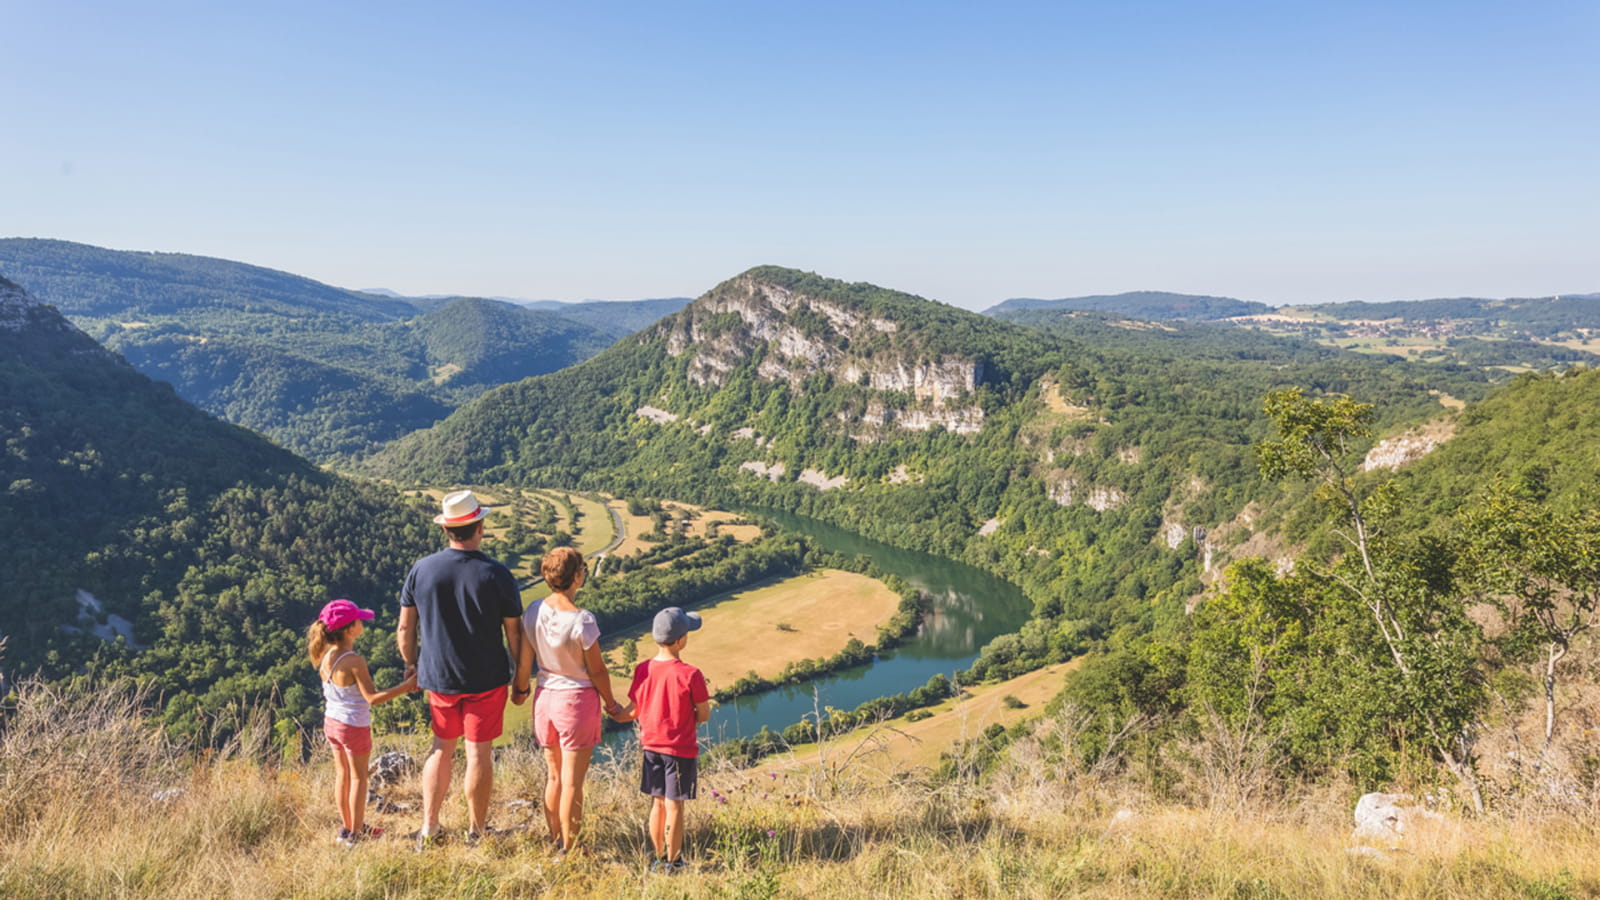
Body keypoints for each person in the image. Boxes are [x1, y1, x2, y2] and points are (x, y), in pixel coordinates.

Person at [397, 489, 527, 848]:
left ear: (447, 529)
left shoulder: (421, 570)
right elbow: (514, 630)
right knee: (478, 753)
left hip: (438, 677)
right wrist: (520, 677)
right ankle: (477, 830)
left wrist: (411, 665)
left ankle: (430, 828)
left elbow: (406, 627)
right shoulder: (496, 574)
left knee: (441, 749)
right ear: (479, 526)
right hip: (486, 679)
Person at [516, 545, 629, 852]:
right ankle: (571, 849)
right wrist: (612, 705)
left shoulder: (533, 610)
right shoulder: (583, 620)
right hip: (576, 702)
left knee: (553, 777)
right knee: (572, 784)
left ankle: (554, 840)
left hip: (544, 699)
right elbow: (598, 672)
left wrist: (519, 689)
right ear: (577, 577)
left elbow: (525, 661)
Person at [307, 598, 416, 846]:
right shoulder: (354, 662)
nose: (362, 623)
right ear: (349, 629)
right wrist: (406, 686)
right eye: (358, 620)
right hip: (353, 725)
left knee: (342, 775)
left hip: (332, 722)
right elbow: (372, 698)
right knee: (359, 779)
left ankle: (347, 828)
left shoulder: (325, 657)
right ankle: (356, 835)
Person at [614, 606, 712, 874]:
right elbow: (703, 714)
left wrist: (613, 711)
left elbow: (632, 711)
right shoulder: (690, 674)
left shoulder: (643, 669)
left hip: (650, 747)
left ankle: (658, 858)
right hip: (679, 749)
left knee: (657, 802)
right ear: (681, 640)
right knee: (674, 805)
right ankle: (675, 861)